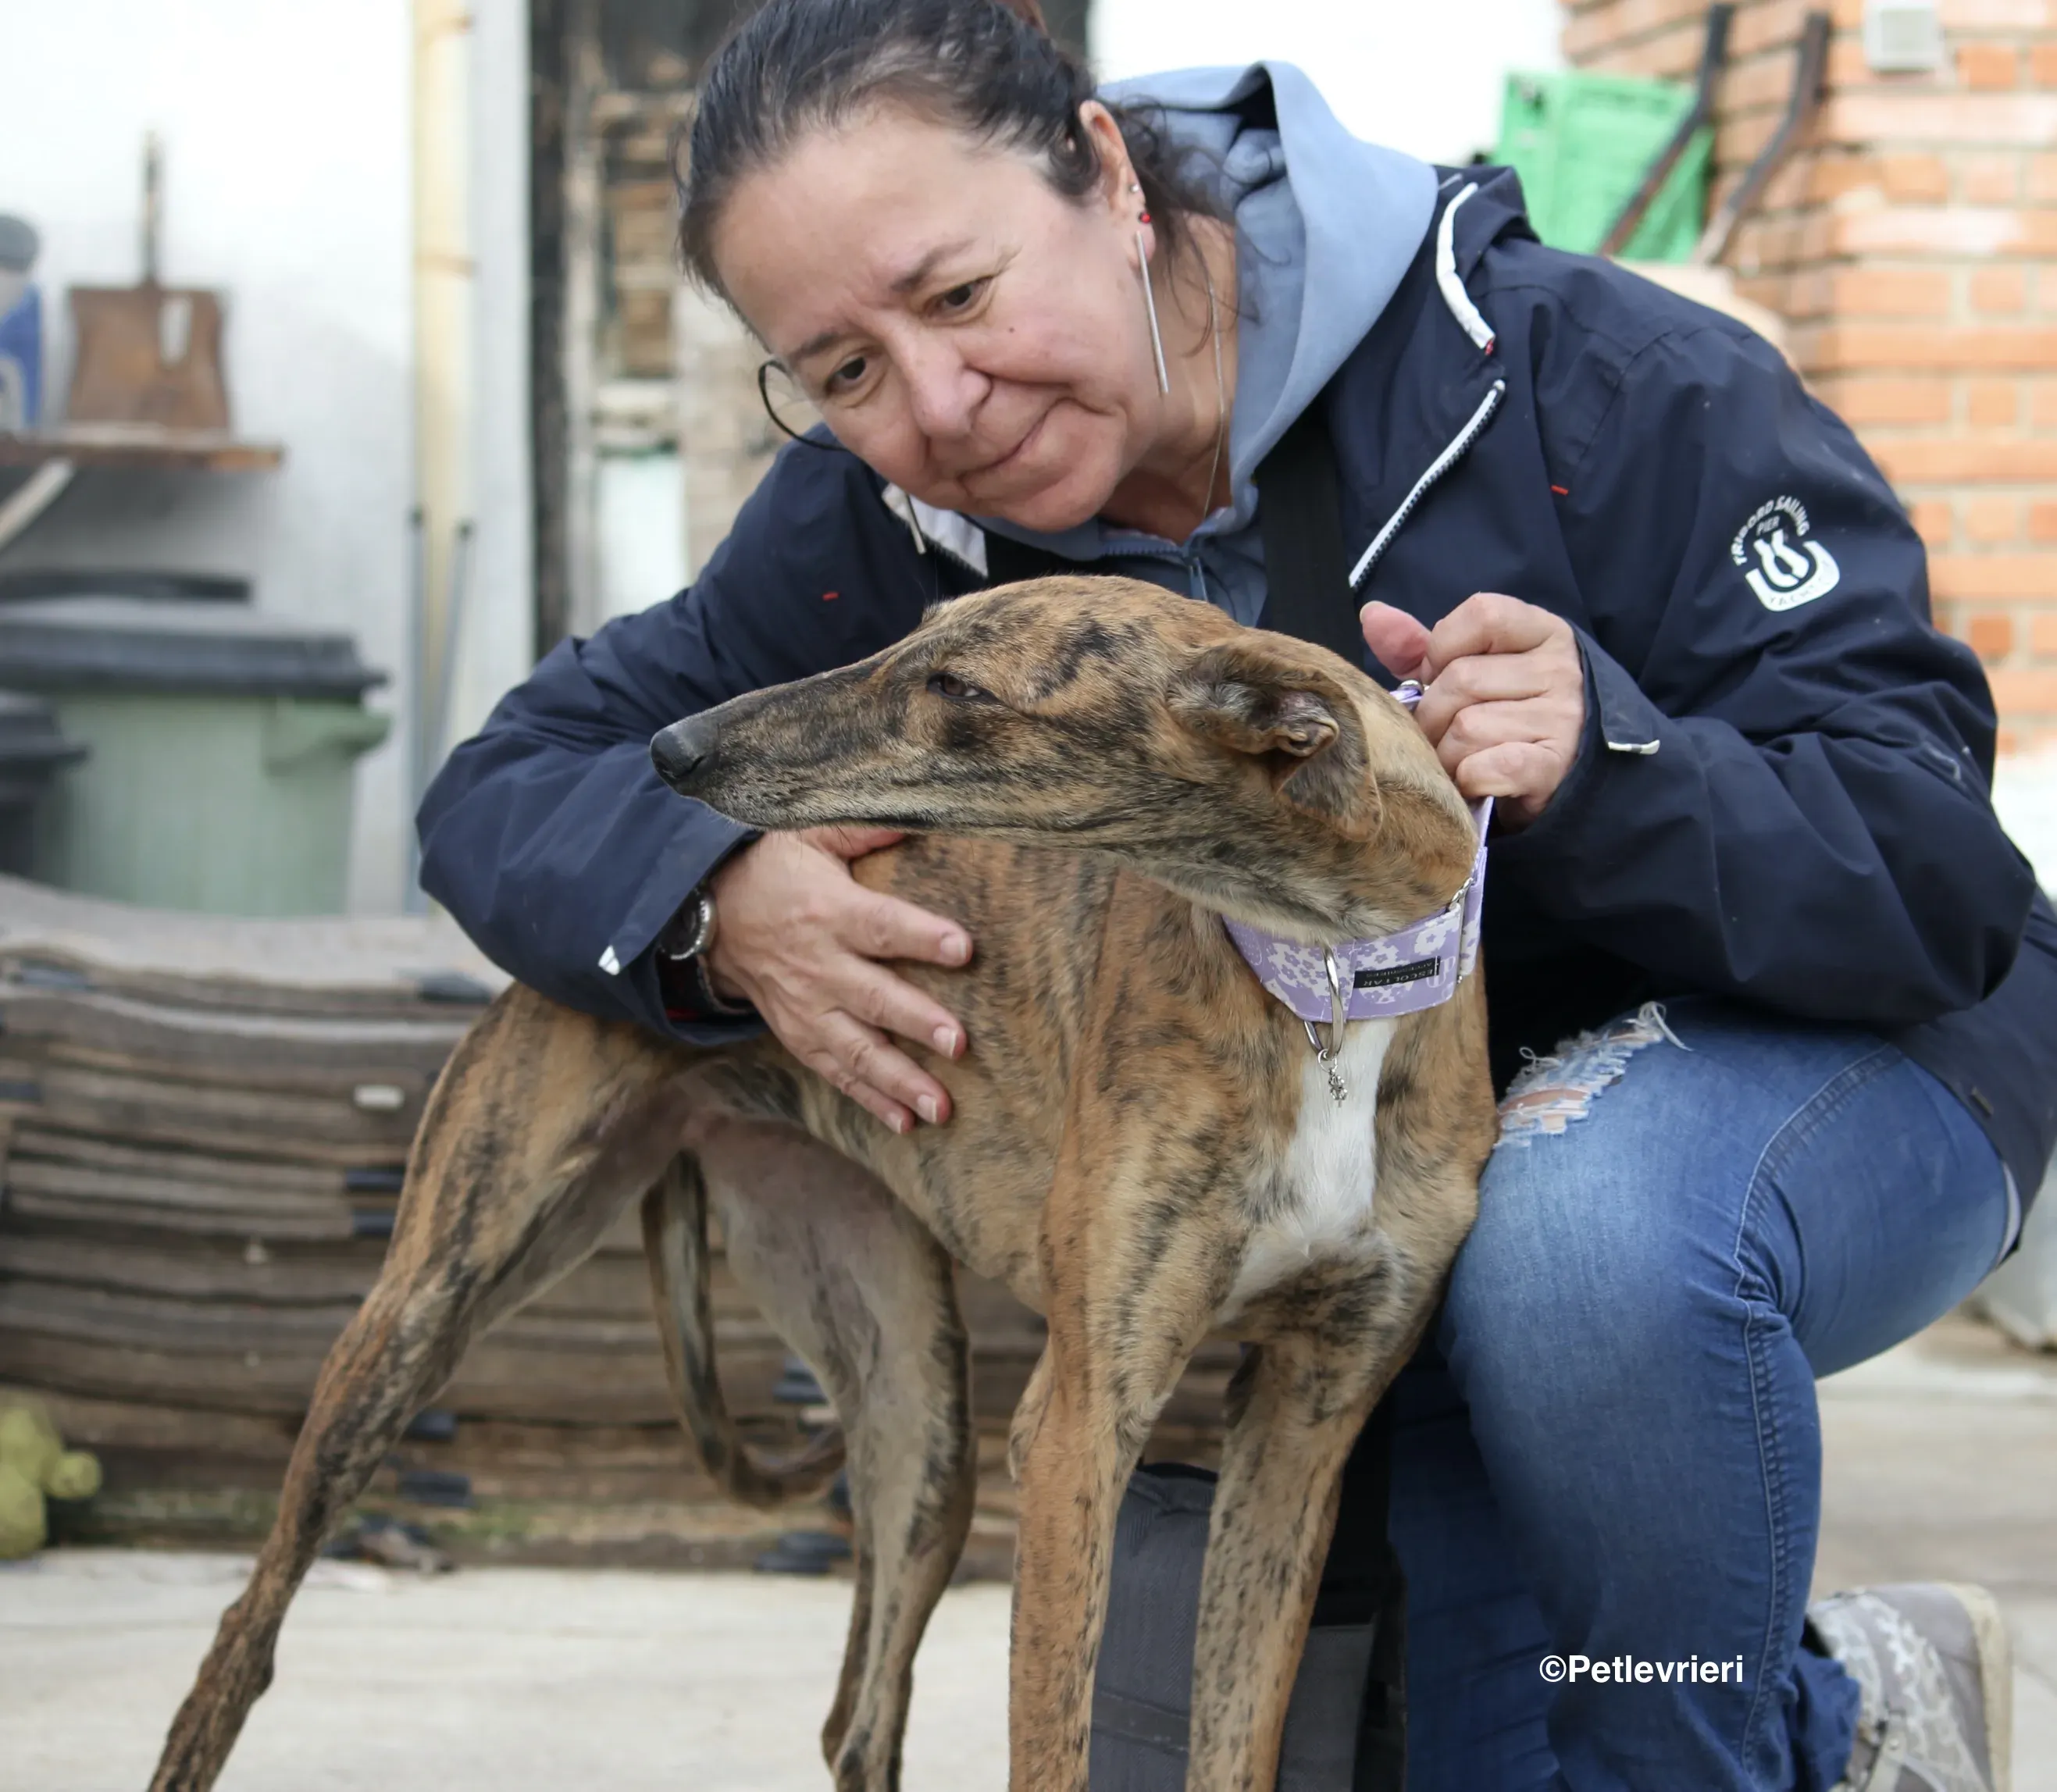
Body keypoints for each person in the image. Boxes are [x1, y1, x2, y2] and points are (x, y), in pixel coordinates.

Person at [418, 2, 2057, 1786]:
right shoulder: (872, 531)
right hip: (1393, 1228)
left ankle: (1734, 1741)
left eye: (960, 296)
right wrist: (710, 892)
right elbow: (508, 778)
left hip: (1816, 1064)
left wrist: (1616, 765)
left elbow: (1935, 872)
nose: (936, 407)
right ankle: (1839, 1700)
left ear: (1108, 177)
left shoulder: (1580, 375)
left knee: (1581, 1249)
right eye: (843, 370)